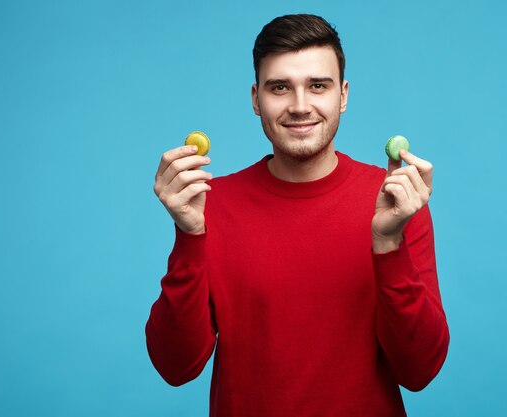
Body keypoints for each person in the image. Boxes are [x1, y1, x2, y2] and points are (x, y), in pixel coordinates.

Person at [146, 14, 449, 417]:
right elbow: (175, 366)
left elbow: (420, 370)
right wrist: (189, 235)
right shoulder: (211, 204)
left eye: (318, 86)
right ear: (256, 98)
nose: (300, 106)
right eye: (280, 88)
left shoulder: (395, 202)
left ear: (342, 95)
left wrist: (388, 244)